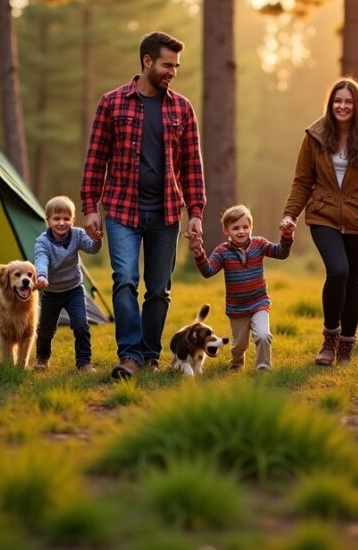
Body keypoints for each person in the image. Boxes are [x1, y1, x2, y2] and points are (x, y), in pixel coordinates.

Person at [81, 31, 205, 380]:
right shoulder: (112, 103)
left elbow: (192, 166)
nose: (173, 72)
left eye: (177, 66)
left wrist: (195, 212)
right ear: (147, 61)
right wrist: (90, 205)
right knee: (123, 280)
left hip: (166, 212)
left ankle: (150, 354)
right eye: (167, 64)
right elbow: (96, 158)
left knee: (158, 290)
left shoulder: (182, 108)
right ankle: (131, 355)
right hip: (122, 210)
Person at [280, 78, 358, 367]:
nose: (342, 106)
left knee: (353, 283)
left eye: (348, 102)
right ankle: (329, 340)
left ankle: (346, 348)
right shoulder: (314, 137)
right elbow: (302, 181)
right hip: (323, 215)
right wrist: (290, 214)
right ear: (330, 104)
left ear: (357, 107)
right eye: (337, 101)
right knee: (338, 271)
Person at [191, 204, 294, 371]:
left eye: (245, 227)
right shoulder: (222, 251)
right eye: (235, 228)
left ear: (251, 227)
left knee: (263, 335)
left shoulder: (259, 244)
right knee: (240, 345)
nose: (241, 231)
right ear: (226, 231)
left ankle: (263, 367)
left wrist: (287, 236)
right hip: (237, 307)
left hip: (259, 302)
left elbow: (281, 253)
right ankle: (236, 363)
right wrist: (199, 253)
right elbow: (208, 271)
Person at [32, 195, 102, 373]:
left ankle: (84, 362)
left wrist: (97, 239)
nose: (61, 223)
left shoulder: (77, 234)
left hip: (74, 290)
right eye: (56, 219)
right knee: (45, 329)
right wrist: (42, 276)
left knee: (81, 325)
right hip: (51, 291)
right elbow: (41, 260)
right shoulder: (42, 242)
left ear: (72, 220)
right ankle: (42, 357)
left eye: (66, 218)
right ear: (48, 220)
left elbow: (92, 249)